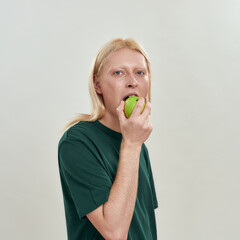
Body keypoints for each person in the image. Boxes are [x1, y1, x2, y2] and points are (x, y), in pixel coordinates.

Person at [58, 38, 158, 240]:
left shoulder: (137, 144)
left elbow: (143, 227)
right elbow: (115, 232)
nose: (132, 81)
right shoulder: (77, 142)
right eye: (118, 73)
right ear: (98, 84)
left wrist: (133, 143)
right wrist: (131, 145)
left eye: (140, 72)